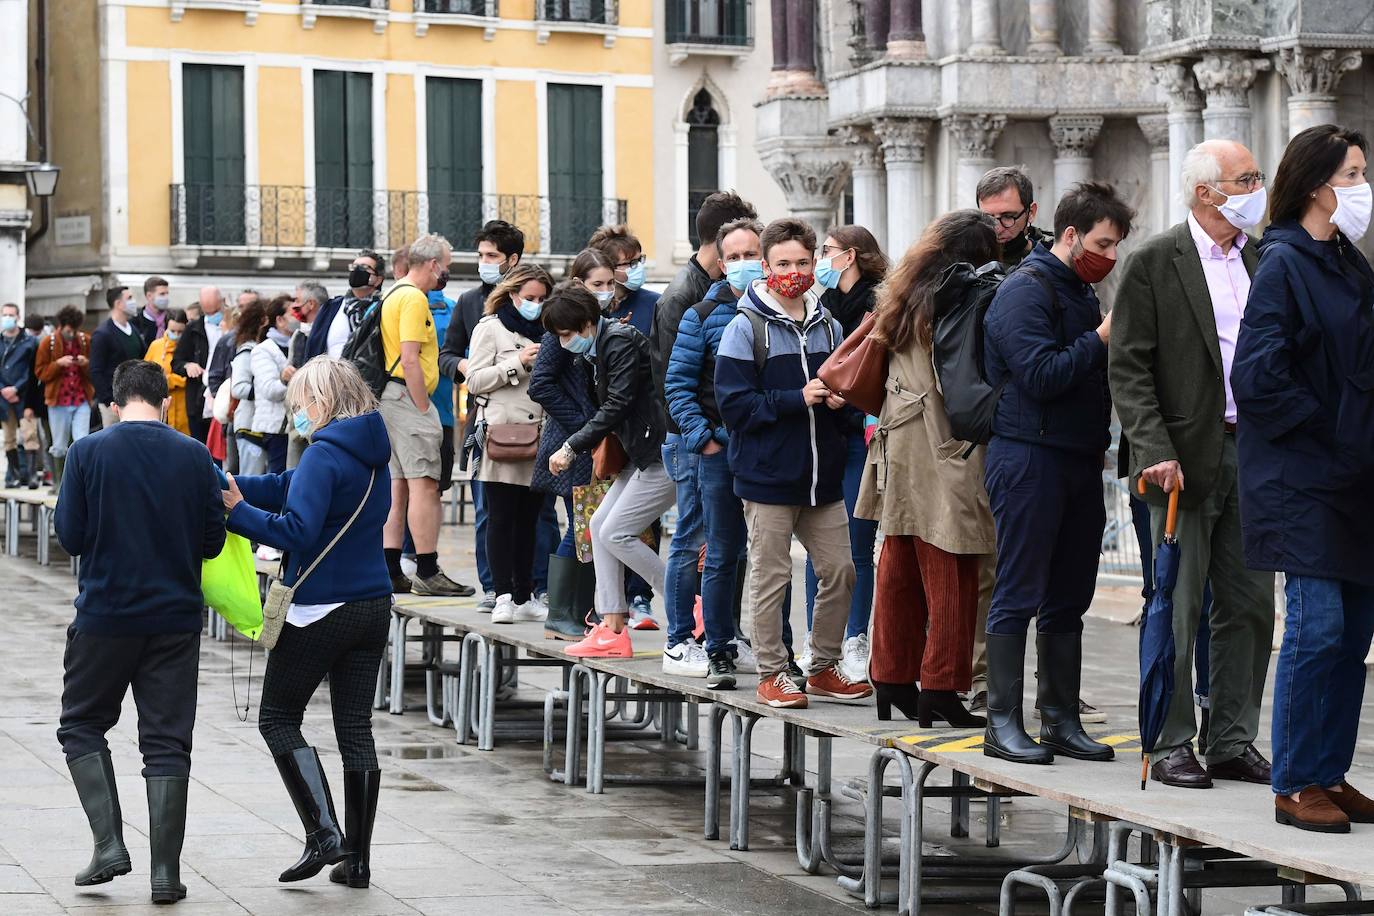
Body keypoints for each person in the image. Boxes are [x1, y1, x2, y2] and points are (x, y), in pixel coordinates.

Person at [1111, 139, 1277, 790]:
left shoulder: (1263, 259)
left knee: (1251, 604)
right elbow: (1128, 367)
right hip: (1178, 460)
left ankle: (1232, 738)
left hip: (1254, 454)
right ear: (1207, 193)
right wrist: (1153, 449)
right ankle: (1174, 738)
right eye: (1247, 179)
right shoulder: (1155, 261)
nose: (1256, 188)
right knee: (1179, 603)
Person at [1232, 124, 1374, 834]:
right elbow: (1257, 379)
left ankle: (1327, 770)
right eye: (1353, 175)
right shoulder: (1284, 263)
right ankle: (1293, 782)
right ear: (1319, 186)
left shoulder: (1346, 261)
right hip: (1302, 478)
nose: (1361, 187)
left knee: (1352, 636)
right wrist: (1331, 426)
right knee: (1316, 631)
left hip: (1351, 479)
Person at [54, 359, 226, 904]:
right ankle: (165, 874)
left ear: (115, 401)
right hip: (175, 619)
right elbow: (212, 541)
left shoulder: (88, 451)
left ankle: (109, 845)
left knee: (82, 724)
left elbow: (71, 536)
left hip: (106, 615)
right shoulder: (195, 455)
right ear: (162, 401)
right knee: (167, 743)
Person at [221, 357, 393, 884]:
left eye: (301, 403)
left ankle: (324, 834)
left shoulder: (324, 453)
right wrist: (234, 483)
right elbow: (285, 484)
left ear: (323, 400)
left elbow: (295, 530)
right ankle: (358, 863)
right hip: (373, 605)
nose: (297, 412)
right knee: (355, 729)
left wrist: (234, 511)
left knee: (277, 717)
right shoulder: (369, 452)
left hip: (322, 608)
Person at [981, 181, 1130, 765]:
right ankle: (1001, 721)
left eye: (1116, 245)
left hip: (1075, 457)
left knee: (1070, 593)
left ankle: (1060, 718)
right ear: (1070, 235)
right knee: (1018, 590)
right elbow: (1040, 375)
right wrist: (1101, 339)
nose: (1110, 256)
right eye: (1102, 242)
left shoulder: (1076, 289)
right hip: (1027, 456)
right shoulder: (1025, 291)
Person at [714, 217, 872, 709]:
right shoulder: (745, 328)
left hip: (823, 478)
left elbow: (847, 387)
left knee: (841, 569)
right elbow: (734, 407)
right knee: (770, 577)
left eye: (804, 262)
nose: (795, 271)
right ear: (766, 266)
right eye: (783, 263)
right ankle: (771, 673)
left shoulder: (830, 324)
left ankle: (821, 666)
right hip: (767, 478)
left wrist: (842, 405)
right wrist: (795, 398)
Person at [854, 211, 998, 726]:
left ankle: (890, 675)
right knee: (954, 565)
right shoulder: (962, 295)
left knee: (898, 560)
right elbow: (963, 384)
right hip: (941, 441)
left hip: (898, 439)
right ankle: (940, 686)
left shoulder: (903, 291)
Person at [664, 217, 770, 688]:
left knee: (770, 555)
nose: (744, 264)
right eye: (735, 257)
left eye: (753, 255)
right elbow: (678, 386)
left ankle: (773, 648)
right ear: (721, 264)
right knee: (721, 550)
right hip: (718, 452)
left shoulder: (785, 311)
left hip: (773, 451)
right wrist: (701, 436)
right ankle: (718, 646)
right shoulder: (701, 315)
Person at [544, 284, 673, 660]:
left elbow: (617, 402)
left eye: (567, 334)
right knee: (599, 527)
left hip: (660, 453)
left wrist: (572, 446)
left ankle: (686, 604)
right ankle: (612, 625)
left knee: (616, 532)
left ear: (586, 323)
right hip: (640, 452)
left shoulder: (616, 341)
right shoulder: (600, 344)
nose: (564, 342)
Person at [802, 224, 886, 683]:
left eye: (826, 252)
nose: (820, 263)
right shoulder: (821, 305)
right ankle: (818, 643)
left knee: (857, 544)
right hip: (825, 433)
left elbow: (878, 369)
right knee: (819, 548)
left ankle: (854, 638)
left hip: (859, 435)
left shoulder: (878, 303)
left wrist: (849, 399)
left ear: (850, 255)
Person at [440, 221, 528, 610]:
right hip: (488, 420)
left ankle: (532, 589)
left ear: (513, 259)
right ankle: (493, 588)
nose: (483, 263)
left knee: (534, 516)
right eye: (480, 256)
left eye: (491, 256)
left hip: (533, 422)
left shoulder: (535, 298)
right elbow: (446, 356)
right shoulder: (469, 303)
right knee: (487, 511)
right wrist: (475, 368)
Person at [380, 234, 473, 597]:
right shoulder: (415, 299)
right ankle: (428, 568)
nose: (445, 272)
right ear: (433, 264)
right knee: (425, 484)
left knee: (398, 484)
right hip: (407, 396)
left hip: (389, 396)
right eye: (446, 265)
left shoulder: (393, 293)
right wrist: (422, 405)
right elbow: (409, 356)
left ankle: (391, 567)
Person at [465, 264, 554, 623]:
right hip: (503, 436)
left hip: (540, 436)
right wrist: (515, 363)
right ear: (513, 295)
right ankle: (501, 595)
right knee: (500, 518)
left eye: (542, 299)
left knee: (530, 520)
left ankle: (525, 592)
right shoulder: (490, 328)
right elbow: (474, 380)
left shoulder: (550, 328)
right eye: (530, 298)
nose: (535, 304)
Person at [529, 251, 604, 640]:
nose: (605, 291)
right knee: (579, 527)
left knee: (587, 527)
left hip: (588, 441)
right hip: (573, 444)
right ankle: (562, 614)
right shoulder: (563, 327)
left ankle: (578, 611)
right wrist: (585, 427)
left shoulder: (596, 326)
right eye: (597, 285)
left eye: (610, 283)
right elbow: (540, 384)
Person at [35, 305, 94, 490]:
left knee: (82, 440)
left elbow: (94, 369)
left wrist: (86, 364)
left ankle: (80, 483)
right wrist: (58, 364)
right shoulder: (48, 342)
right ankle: (59, 482)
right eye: (69, 330)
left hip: (81, 398)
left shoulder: (85, 340)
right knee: (59, 444)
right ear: (61, 325)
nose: (72, 333)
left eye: (75, 329)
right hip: (58, 400)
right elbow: (40, 372)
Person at [244, 296, 296, 474]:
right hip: (275, 428)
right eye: (293, 313)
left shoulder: (300, 343)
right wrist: (289, 381)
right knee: (279, 478)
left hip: (296, 426)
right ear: (280, 320)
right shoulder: (263, 350)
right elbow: (269, 389)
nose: (298, 317)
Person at [308, 250, 384, 362]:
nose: (357, 271)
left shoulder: (383, 308)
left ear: (378, 280)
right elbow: (313, 347)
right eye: (354, 267)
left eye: (364, 267)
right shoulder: (331, 308)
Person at [172, 286, 224, 443]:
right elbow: (176, 362)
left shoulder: (230, 327)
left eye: (214, 311)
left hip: (223, 395)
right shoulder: (193, 329)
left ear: (221, 303)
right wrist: (188, 366)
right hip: (198, 399)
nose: (212, 316)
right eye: (207, 312)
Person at [89, 287, 147, 429]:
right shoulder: (102, 334)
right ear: (118, 304)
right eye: (129, 298)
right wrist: (108, 400)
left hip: (136, 400)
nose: (134, 302)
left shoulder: (133, 329)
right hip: (114, 404)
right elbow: (96, 370)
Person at [588, 224, 660, 337]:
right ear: (608, 267)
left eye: (639, 260)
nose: (639, 266)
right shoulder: (587, 307)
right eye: (630, 263)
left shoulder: (656, 304)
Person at [287, 282, 329, 468]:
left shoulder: (329, 331)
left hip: (320, 407)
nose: (294, 306)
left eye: (297, 300)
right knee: (294, 465)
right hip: (297, 411)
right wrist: (285, 373)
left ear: (310, 304)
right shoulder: (298, 334)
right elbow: (290, 364)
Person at [977, 166, 1051, 269]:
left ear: (1031, 213)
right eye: (988, 218)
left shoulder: (1055, 256)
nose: (997, 229)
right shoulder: (966, 256)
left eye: (1007, 216)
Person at [0, 302, 38, 487]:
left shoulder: (29, 341)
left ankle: (31, 476)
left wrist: (16, 389)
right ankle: (13, 475)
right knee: (9, 438)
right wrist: (4, 390)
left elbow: (32, 371)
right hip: (3, 398)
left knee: (29, 435)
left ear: (18, 317)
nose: (7, 318)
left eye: (11, 315)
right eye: (4, 314)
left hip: (24, 396)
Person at [230, 299, 268, 476]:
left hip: (263, 426)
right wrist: (265, 390)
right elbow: (238, 387)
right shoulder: (248, 351)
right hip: (249, 425)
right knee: (251, 479)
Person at [143, 309, 191, 436]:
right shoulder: (156, 346)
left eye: (180, 332)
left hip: (184, 408)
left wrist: (168, 380)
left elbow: (193, 376)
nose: (176, 335)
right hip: (160, 407)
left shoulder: (191, 347)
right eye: (173, 331)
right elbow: (145, 373)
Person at [130, 276, 170, 350]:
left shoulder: (172, 320)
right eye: (162, 294)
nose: (166, 297)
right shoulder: (135, 323)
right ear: (149, 296)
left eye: (167, 293)